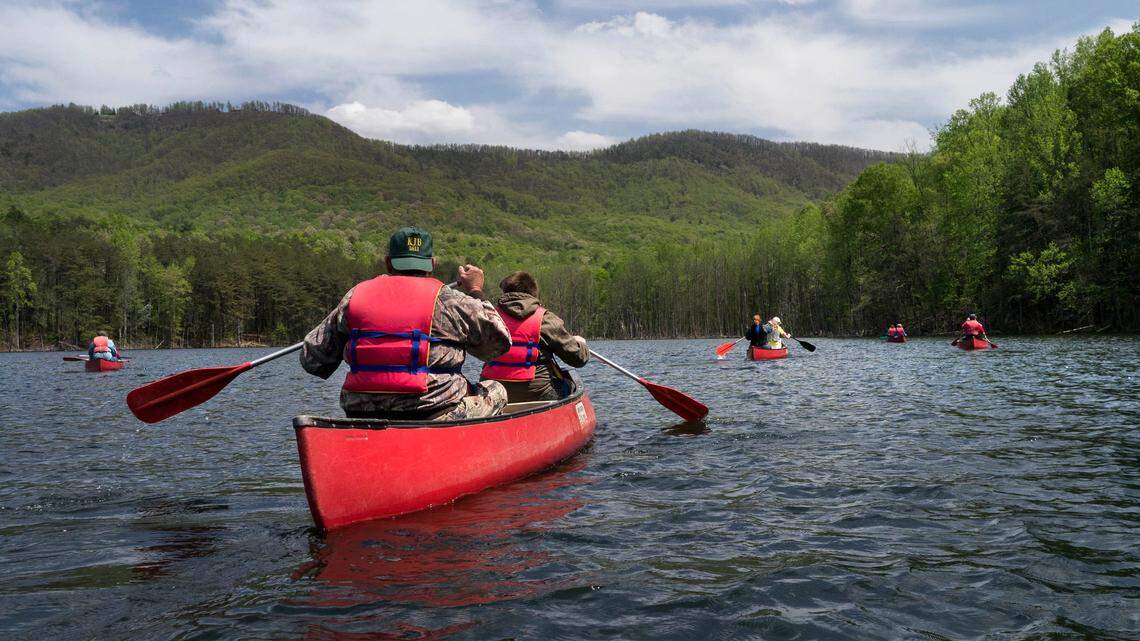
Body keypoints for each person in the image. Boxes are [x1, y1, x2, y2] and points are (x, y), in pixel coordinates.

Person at [300, 227, 512, 420]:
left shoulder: (355, 296)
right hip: (434, 413)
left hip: (361, 413)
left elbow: (313, 360)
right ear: (432, 264)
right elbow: (499, 344)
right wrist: (475, 290)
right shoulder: (450, 299)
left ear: (388, 262)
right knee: (496, 390)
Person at [479, 271, 589, 402]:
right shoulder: (546, 319)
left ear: (505, 293)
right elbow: (578, 359)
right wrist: (581, 344)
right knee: (571, 383)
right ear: (533, 293)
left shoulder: (488, 316)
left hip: (492, 392)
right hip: (536, 393)